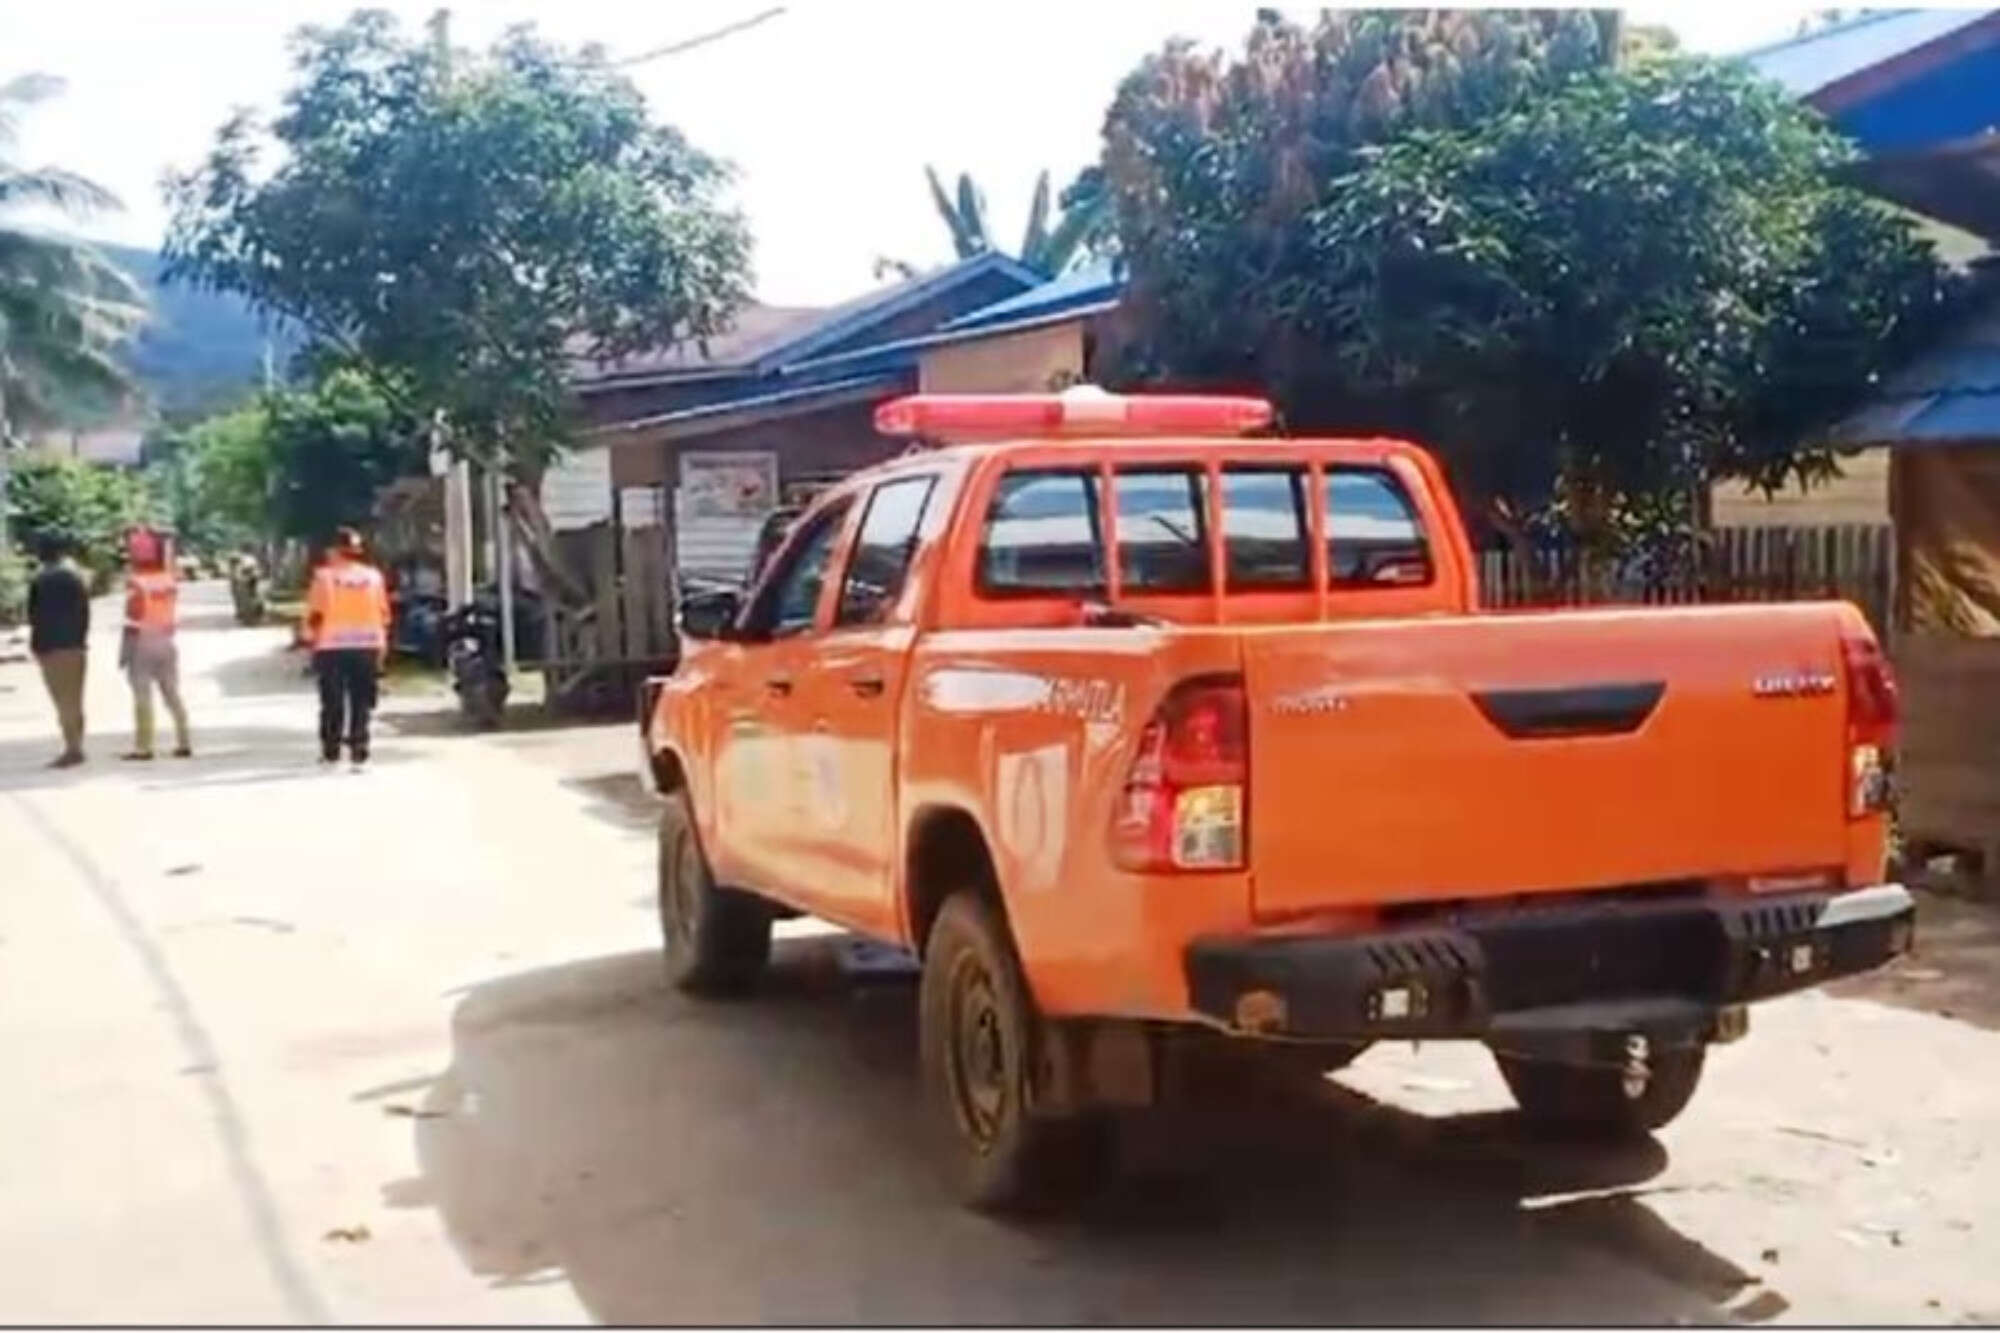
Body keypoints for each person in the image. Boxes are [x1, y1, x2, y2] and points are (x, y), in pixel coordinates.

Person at [305, 527, 391, 768]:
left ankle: (331, 752)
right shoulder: (373, 577)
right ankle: (359, 751)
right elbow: (383, 614)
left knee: (332, 702)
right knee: (361, 700)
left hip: (331, 646)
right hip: (367, 645)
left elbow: (316, 614)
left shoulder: (324, 577)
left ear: (334, 551)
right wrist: (382, 648)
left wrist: (308, 641)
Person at [119, 527, 193, 761]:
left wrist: (124, 651)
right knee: (172, 693)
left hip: (142, 641)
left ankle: (144, 746)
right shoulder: (168, 581)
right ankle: (184, 741)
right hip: (167, 640)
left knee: (142, 695)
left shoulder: (136, 583)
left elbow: (132, 618)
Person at [26, 534, 91, 768]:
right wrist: (81, 638)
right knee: (75, 698)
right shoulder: (75, 578)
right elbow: (84, 612)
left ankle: (71, 748)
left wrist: (36, 646)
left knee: (61, 700)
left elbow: (33, 616)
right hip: (74, 645)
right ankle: (77, 745)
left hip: (49, 646)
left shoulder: (39, 580)